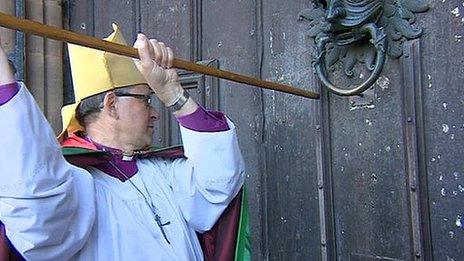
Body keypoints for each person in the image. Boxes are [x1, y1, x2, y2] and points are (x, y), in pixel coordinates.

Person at [0, 24, 245, 260]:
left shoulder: (164, 171)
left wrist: (172, 92)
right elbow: (34, 202)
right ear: (112, 104)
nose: (155, 112)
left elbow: (219, 183)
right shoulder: (72, 181)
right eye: (145, 99)